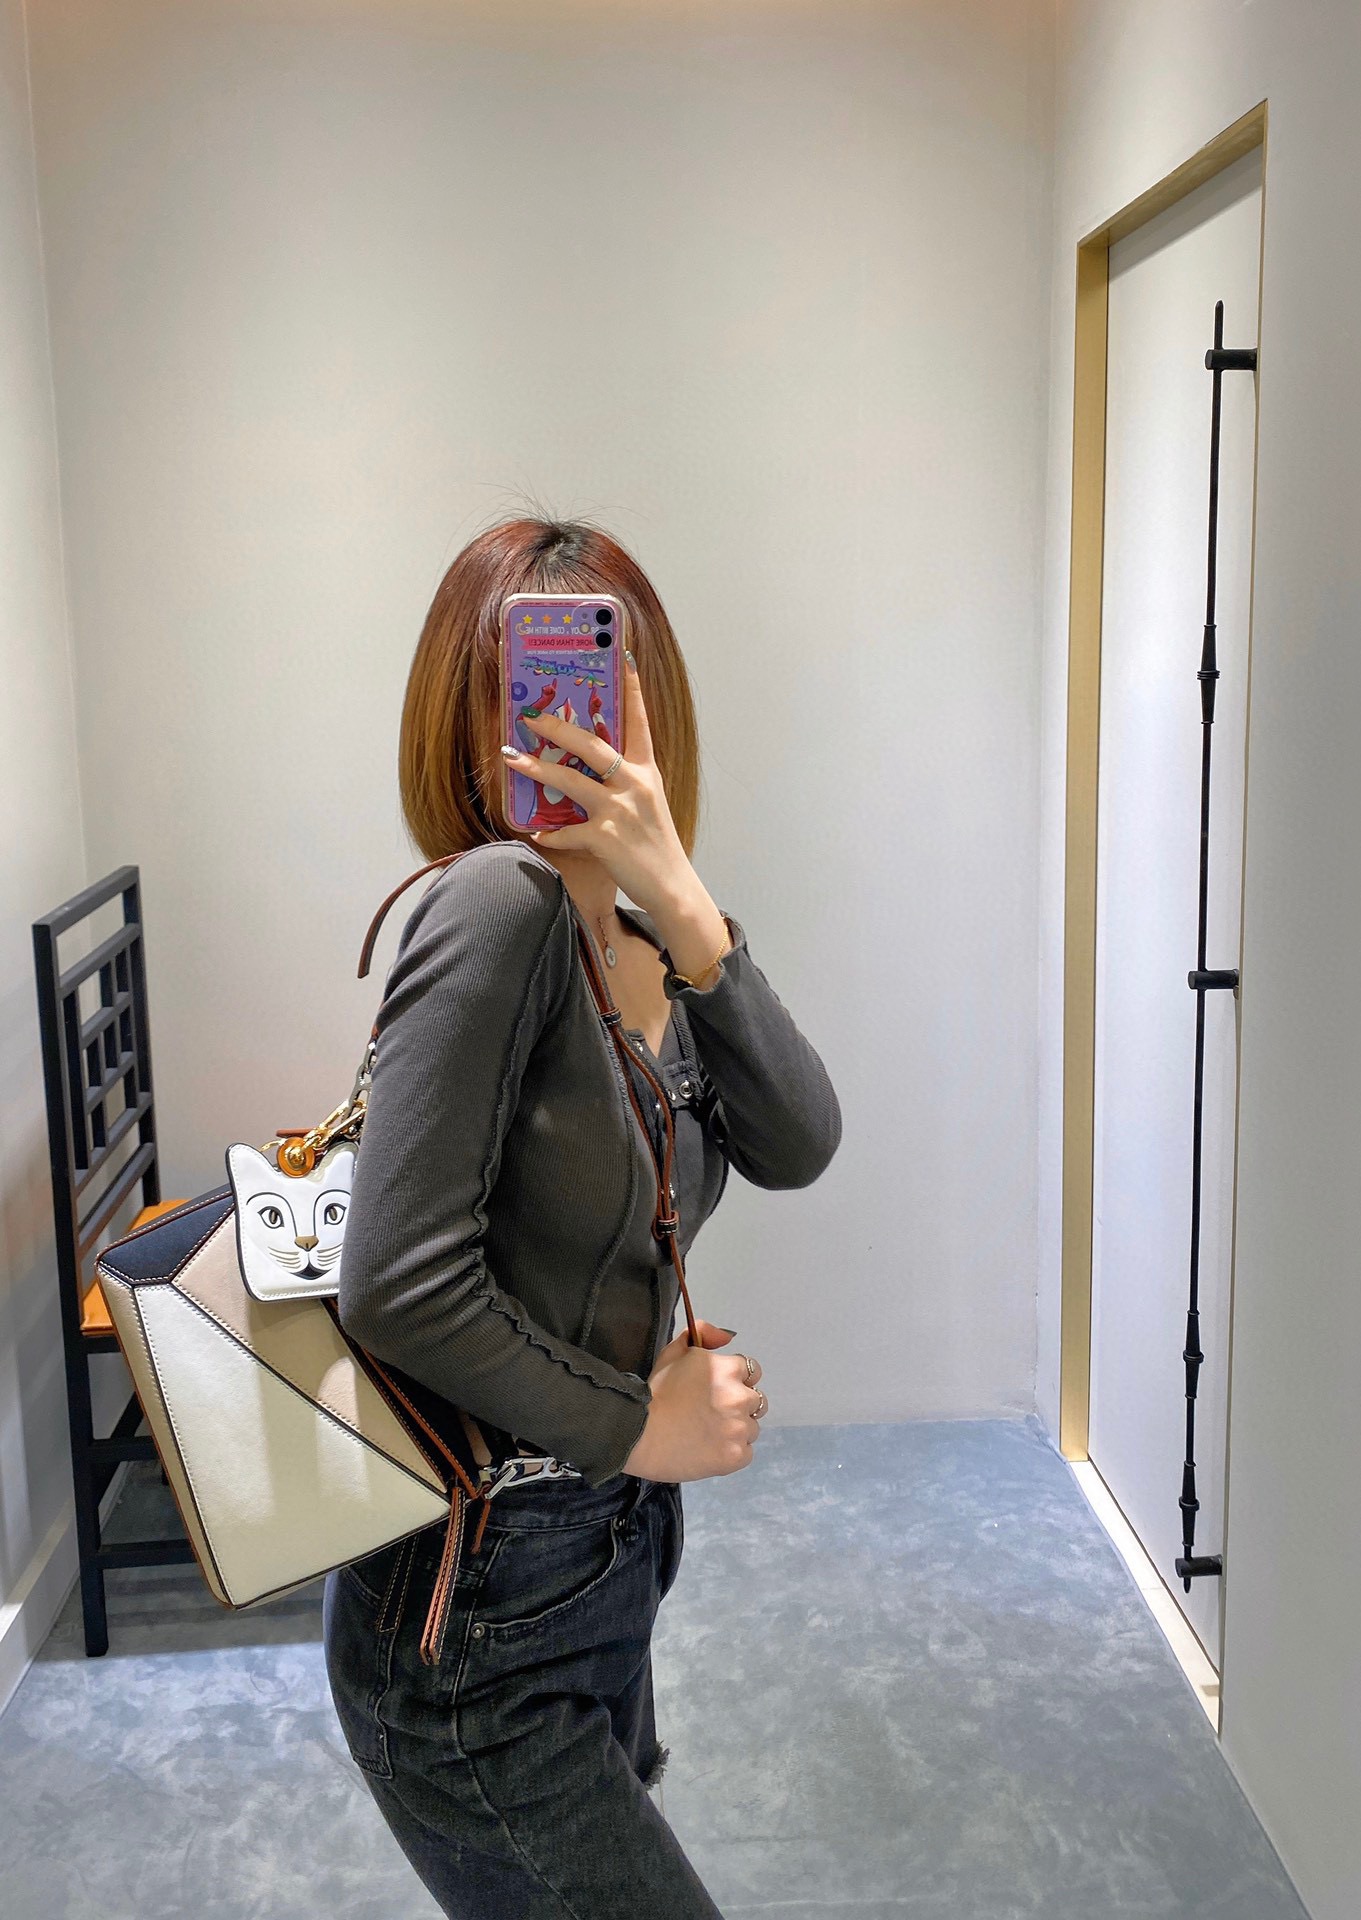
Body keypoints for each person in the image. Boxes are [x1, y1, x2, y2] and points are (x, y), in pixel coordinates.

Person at [322, 517, 843, 1917]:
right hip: (475, 1615)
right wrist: (639, 1423)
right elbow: (396, 1283)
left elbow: (798, 1140)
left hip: (598, 1566)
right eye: (527, 688)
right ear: (465, 720)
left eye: (602, 682)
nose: (570, 722)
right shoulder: (495, 906)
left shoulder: (644, 933)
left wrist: (688, 909)